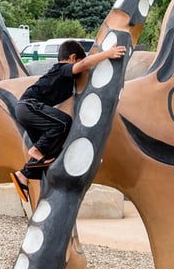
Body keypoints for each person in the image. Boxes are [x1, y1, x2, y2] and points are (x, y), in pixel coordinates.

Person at [9, 39, 125, 199]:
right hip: (29, 107)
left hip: (28, 111)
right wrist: (107, 54)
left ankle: (23, 176)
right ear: (72, 58)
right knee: (63, 123)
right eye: (78, 61)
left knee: (51, 154)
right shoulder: (62, 68)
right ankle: (36, 150)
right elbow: (84, 65)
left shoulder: (63, 78)